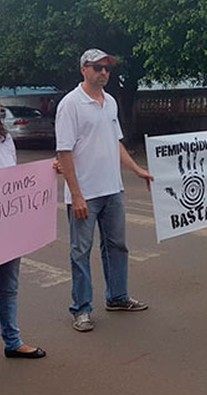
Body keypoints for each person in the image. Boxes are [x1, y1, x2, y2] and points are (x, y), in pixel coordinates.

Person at [56, 49, 153, 332]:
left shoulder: (109, 102)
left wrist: (136, 169)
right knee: (80, 251)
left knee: (117, 246)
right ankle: (82, 309)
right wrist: (76, 195)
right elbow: (64, 152)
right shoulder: (70, 104)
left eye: (107, 69)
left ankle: (118, 297)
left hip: (113, 189)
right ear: (84, 70)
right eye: (97, 68)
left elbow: (116, 142)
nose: (103, 73)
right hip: (85, 193)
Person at [0, 105, 46, 359]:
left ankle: (13, 341)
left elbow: (15, 179)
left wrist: (48, 174)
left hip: (7, 225)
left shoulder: (5, 139)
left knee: (8, 286)